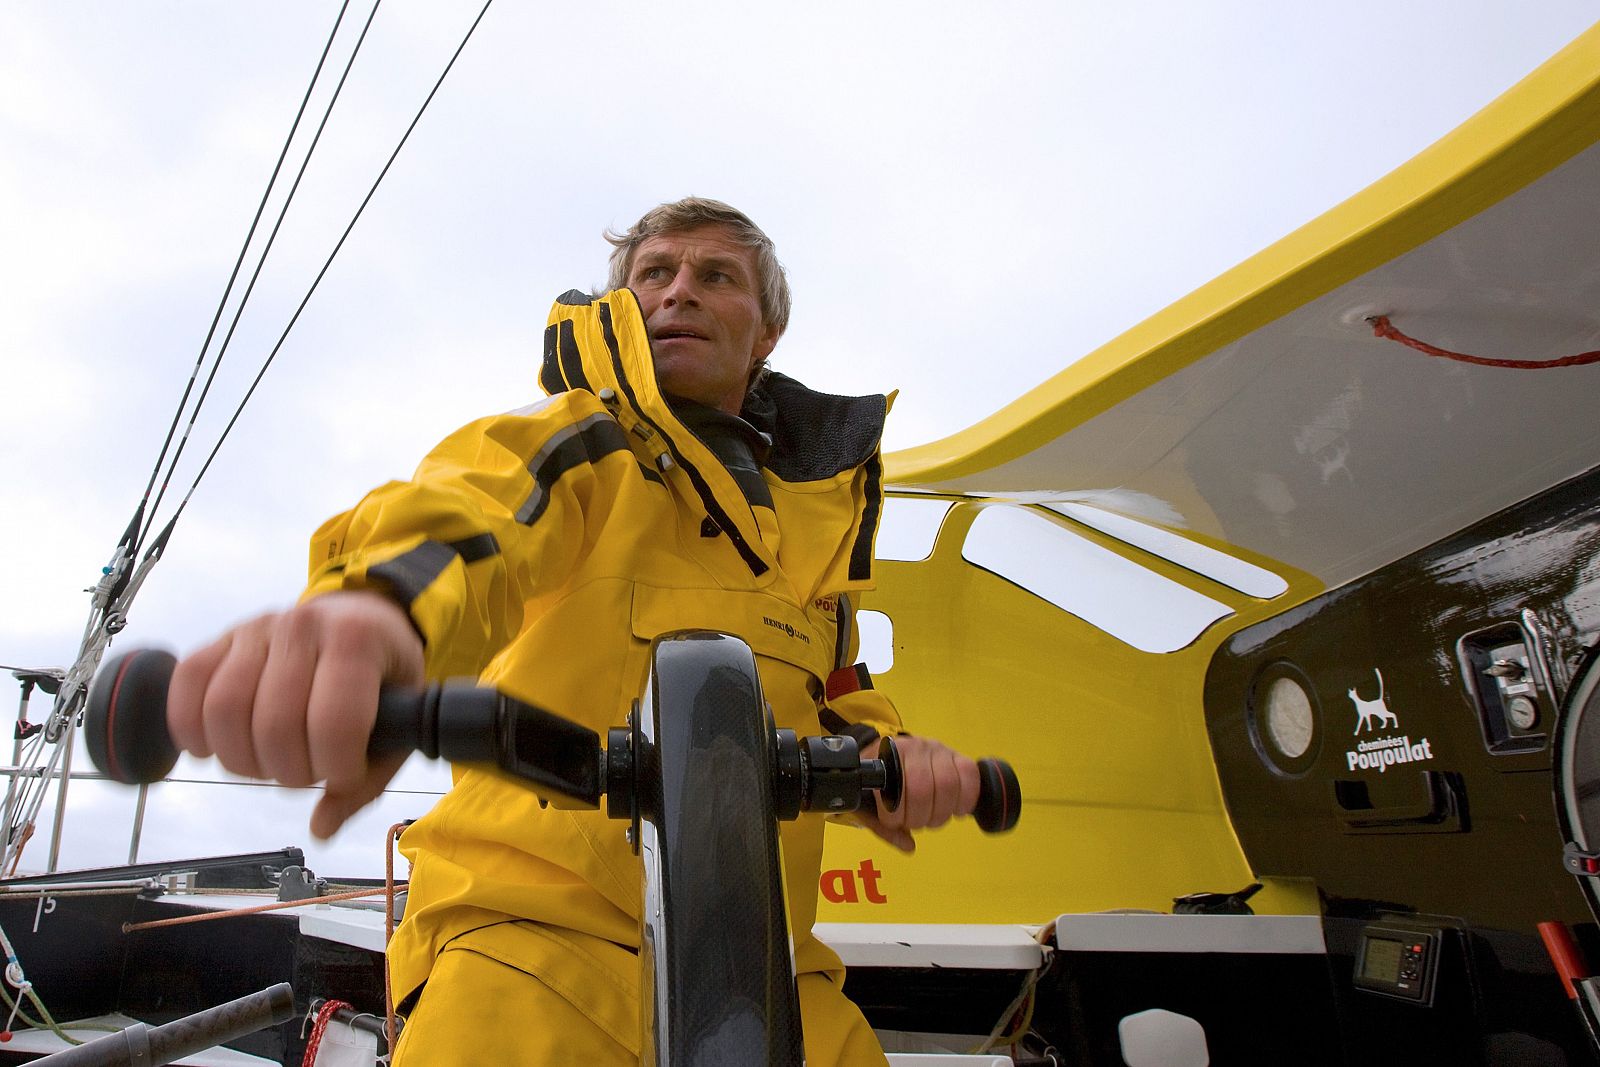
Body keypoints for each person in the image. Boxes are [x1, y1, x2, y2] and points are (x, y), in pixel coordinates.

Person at [166, 198, 983, 1065]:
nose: (680, 294)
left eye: (716, 277)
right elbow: (470, 514)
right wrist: (377, 612)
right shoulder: (580, 446)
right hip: (529, 944)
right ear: (624, 307)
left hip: (772, 974)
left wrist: (894, 762)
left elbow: (837, 701)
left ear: (768, 330)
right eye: (654, 273)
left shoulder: (817, 540)